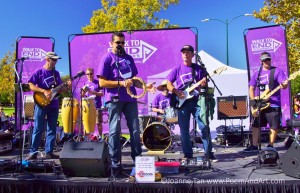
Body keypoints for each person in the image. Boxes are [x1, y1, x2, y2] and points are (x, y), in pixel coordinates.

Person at [97, 32, 155, 168]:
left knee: (135, 129)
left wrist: (146, 87)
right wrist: (121, 84)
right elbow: (101, 83)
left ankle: (138, 160)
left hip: (130, 99)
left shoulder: (129, 58)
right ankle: (115, 162)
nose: (120, 45)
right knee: (114, 130)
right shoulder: (107, 58)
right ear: (111, 43)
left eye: (123, 42)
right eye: (118, 42)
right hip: (114, 99)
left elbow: (134, 80)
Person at [166, 45, 215, 160]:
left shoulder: (198, 69)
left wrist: (203, 84)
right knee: (184, 130)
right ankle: (188, 154)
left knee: (204, 126)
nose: (185, 54)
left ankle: (208, 153)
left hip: (197, 101)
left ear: (193, 55)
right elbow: (168, 84)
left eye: (188, 52)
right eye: (183, 52)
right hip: (183, 103)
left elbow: (204, 86)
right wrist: (177, 92)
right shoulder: (177, 69)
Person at [26, 52, 71, 160]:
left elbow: (60, 89)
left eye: (56, 60)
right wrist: (43, 91)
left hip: (54, 104)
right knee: (38, 128)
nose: (56, 62)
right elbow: (30, 85)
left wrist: (68, 87)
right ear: (47, 59)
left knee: (52, 128)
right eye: (54, 59)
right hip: (41, 103)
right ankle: (33, 152)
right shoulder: (39, 71)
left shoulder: (56, 74)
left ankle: (49, 151)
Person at [244, 52, 288, 152]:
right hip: (259, 103)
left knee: (273, 125)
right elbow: (251, 87)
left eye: (268, 59)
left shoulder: (277, 71)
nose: (267, 62)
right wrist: (253, 101)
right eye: (264, 60)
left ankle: (270, 145)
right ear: (261, 61)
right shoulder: (257, 73)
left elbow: (284, 85)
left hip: (273, 103)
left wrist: (284, 84)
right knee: (256, 124)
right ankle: (254, 145)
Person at [81, 68, 104, 139]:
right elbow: (82, 95)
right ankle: (86, 138)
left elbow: (102, 93)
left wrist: (92, 92)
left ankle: (100, 138)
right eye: (87, 74)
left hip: (97, 105)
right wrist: (84, 91)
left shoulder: (97, 82)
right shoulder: (85, 83)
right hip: (88, 107)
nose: (89, 75)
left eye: (91, 74)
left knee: (98, 122)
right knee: (86, 122)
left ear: (93, 74)